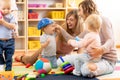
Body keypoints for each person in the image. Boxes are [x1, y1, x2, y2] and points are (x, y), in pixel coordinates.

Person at [57, 0, 117, 77]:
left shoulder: (103, 20)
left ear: (87, 9)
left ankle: (84, 67)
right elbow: (75, 39)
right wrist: (62, 30)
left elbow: (111, 40)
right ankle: (82, 67)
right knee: (61, 61)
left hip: (106, 61)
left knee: (86, 70)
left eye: (80, 10)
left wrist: (101, 50)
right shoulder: (89, 27)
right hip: (89, 57)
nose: (78, 14)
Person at [14, 10, 83, 65]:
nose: (68, 22)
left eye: (71, 20)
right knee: (30, 61)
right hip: (51, 51)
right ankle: (21, 57)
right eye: (67, 19)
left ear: (77, 20)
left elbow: (80, 50)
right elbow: (53, 48)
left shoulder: (81, 31)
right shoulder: (63, 28)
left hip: (63, 55)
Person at [0, 0, 17, 71]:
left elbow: (13, 26)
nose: (6, 10)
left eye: (8, 8)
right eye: (3, 9)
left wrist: (3, 22)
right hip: (0, 41)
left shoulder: (11, 16)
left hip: (10, 41)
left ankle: (8, 72)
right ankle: (1, 63)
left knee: (9, 58)